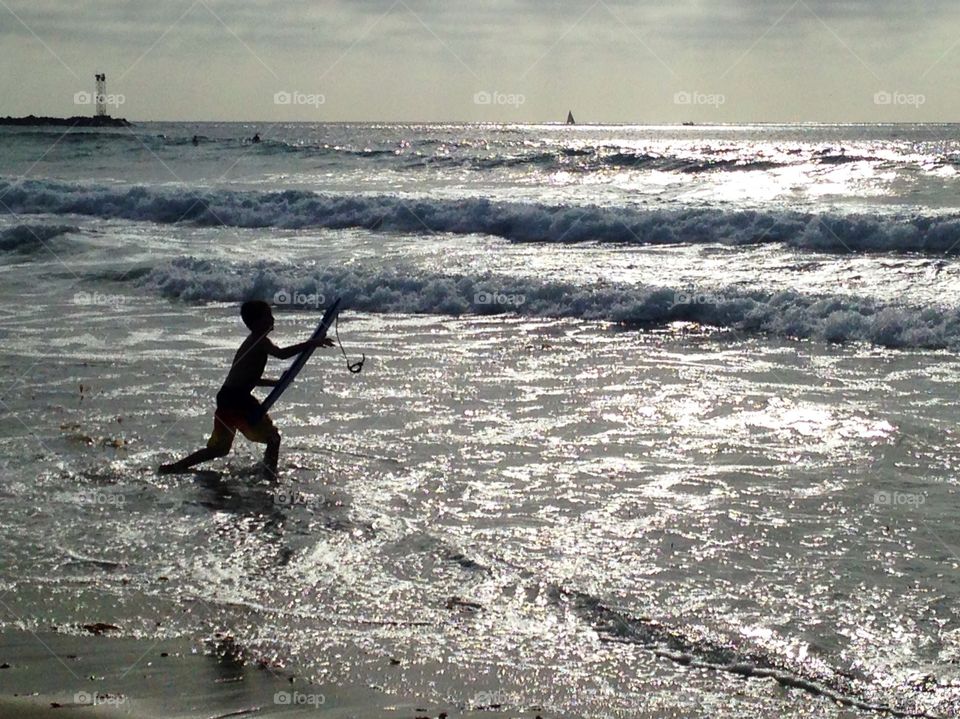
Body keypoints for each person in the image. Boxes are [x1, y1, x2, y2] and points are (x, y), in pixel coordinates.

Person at [159, 300, 332, 477]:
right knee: (273, 439)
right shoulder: (260, 340)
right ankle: (269, 475)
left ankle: (175, 467)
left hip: (227, 397)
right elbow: (281, 355)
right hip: (239, 400)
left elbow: (247, 379)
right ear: (257, 322)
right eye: (268, 316)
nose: (272, 319)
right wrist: (311, 343)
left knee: (218, 449)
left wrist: (275, 383)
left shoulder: (250, 343)